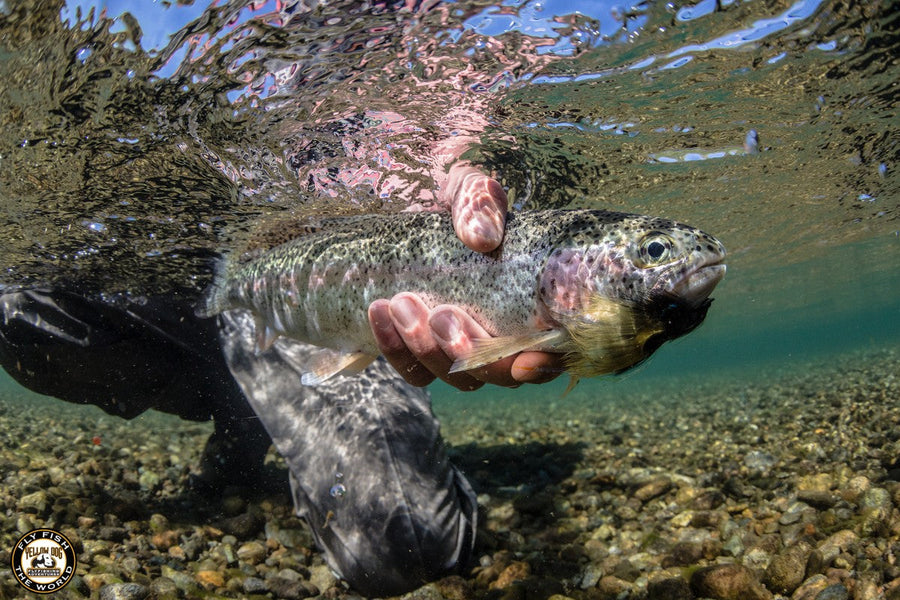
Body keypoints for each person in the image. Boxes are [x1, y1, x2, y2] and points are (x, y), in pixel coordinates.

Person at [0, 166, 563, 596]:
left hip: (321, 304)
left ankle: (260, 412)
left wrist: (460, 166)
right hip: (188, 283)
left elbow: (456, 136)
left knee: (407, 546)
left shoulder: (410, 51)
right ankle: (243, 407)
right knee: (18, 312)